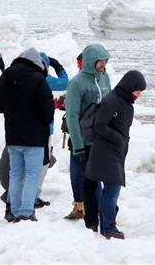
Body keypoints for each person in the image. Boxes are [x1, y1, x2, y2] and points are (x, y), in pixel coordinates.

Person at [85, 71, 146, 239]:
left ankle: (107, 227)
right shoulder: (113, 100)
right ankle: (109, 228)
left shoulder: (124, 100)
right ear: (129, 87)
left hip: (114, 151)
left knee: (109, 191)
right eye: (137, 90)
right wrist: (119, 139)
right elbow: (100, 125)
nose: (139, 94)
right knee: (112, 191)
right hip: (106, 151)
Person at [0, 47, 55, 222]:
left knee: (15, 174)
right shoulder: (38, 79)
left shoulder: (6, 76)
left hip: (13, 136)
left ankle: (14, 211)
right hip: (35, 138)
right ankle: (26, 211)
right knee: (32, 174)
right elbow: (48, 112)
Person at [64, 43, 111, 221]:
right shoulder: (76, 83)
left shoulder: (104, 78)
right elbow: (72, 116)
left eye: (105, 61)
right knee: (78, 177)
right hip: (81, 139)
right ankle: (79, 206)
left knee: (96, 176)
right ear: (91, 60)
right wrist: (78, 145)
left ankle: (97, 209)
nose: (103, 65)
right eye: (101, 61)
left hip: (99, 138)